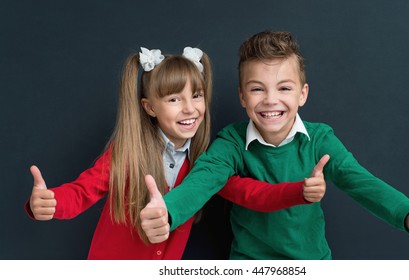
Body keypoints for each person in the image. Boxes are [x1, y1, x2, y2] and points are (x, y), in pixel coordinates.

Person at [141, 31, 409, 260]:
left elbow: (362, 183)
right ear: (242, 97)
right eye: (257, 89)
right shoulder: (231, 142)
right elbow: (203, 179)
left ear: (302, 94)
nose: (271, 99)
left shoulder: (320, 140)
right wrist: (167, 213)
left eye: (284, 88)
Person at [25, 45, 327, 259]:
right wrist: (51, 203)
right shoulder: (127, 153)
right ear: (149, 107)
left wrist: (299, 191)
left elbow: (250, 194)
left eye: (196, 96)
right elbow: (81, 192)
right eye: (173, 99)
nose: (189, 108)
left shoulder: (205, 162)